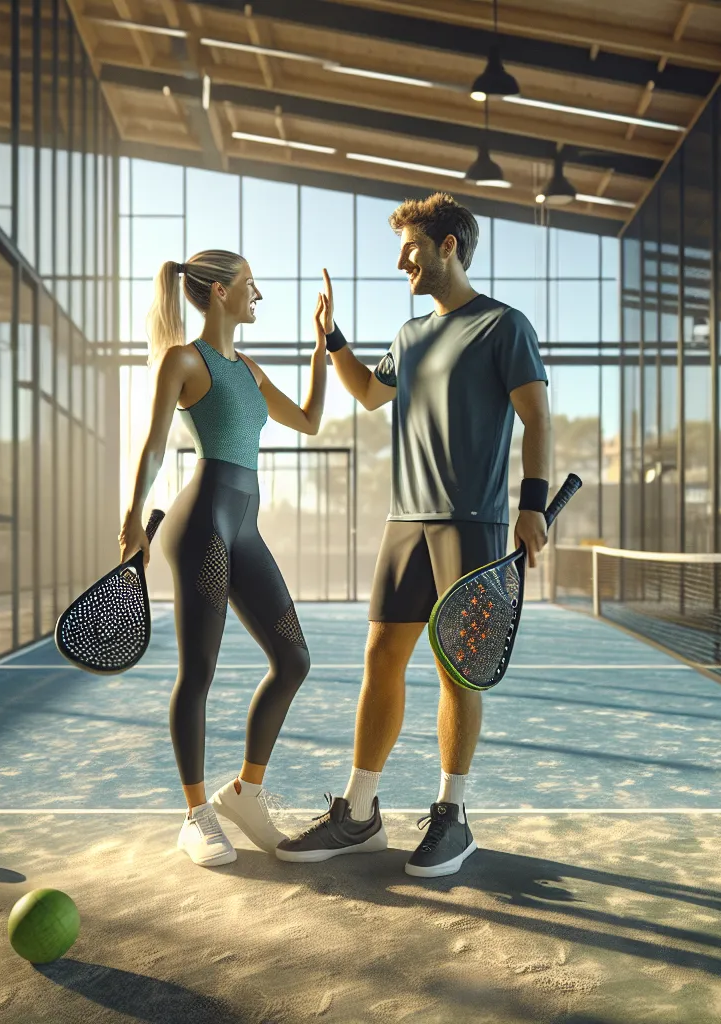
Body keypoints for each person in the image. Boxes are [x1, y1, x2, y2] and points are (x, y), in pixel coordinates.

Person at [276, 193, 552, 878]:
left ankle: (452, 816)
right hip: (406, 522)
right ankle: (360, 813)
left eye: (411, 247)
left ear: (448, 245)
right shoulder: (409, 334)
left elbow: (537, 419)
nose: (402, 260)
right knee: (380, 658)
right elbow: (371, 395)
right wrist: (331, 339)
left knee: (456, 668)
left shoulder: (503, 327)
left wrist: (533, 506)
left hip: (473, 523)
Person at [121, 249, 331, 866]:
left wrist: (322, 350)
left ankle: (245, 792)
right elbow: (155, 442)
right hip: (202, 523)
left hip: (244, 525)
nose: (257, 294)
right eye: (250, 285)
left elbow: (313, 421)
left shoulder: (251, 369)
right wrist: (134, 514)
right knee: (200, 672)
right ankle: (196, 814)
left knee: (293, 658)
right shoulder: (185, 359)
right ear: (218, 292)